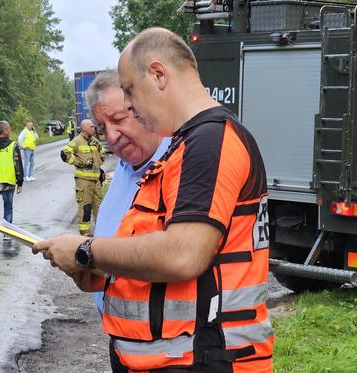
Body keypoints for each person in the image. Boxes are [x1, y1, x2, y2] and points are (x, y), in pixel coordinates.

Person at [34, 27, 273, 372]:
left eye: (130, 90)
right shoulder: (184, 146)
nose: (129, 103)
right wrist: (96, 270)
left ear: (159, 74)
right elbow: (157, 250)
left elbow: (182, 255)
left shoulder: (209, 142)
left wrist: (87, 250)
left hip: (203, 359)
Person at [84, 69, 171, 315]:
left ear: (143, 109)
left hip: (159, 345)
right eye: (102, 127)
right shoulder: (124, 168)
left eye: (119, 120)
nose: (111, 136)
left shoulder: (176, 164)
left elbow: (172, 257)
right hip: (123, 336)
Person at [60, 119, 105, 236]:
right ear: (84, 128)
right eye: (91, 127)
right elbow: (64, 154)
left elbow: (102, 154)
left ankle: (102, 232)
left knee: (100, 207)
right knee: (85, 207)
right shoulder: (77, 141)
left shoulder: (94, 142)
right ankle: (85, 235)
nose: (94, 129)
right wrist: (79, 163)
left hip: (96, 181)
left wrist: (99, 167)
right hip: (84, 182)